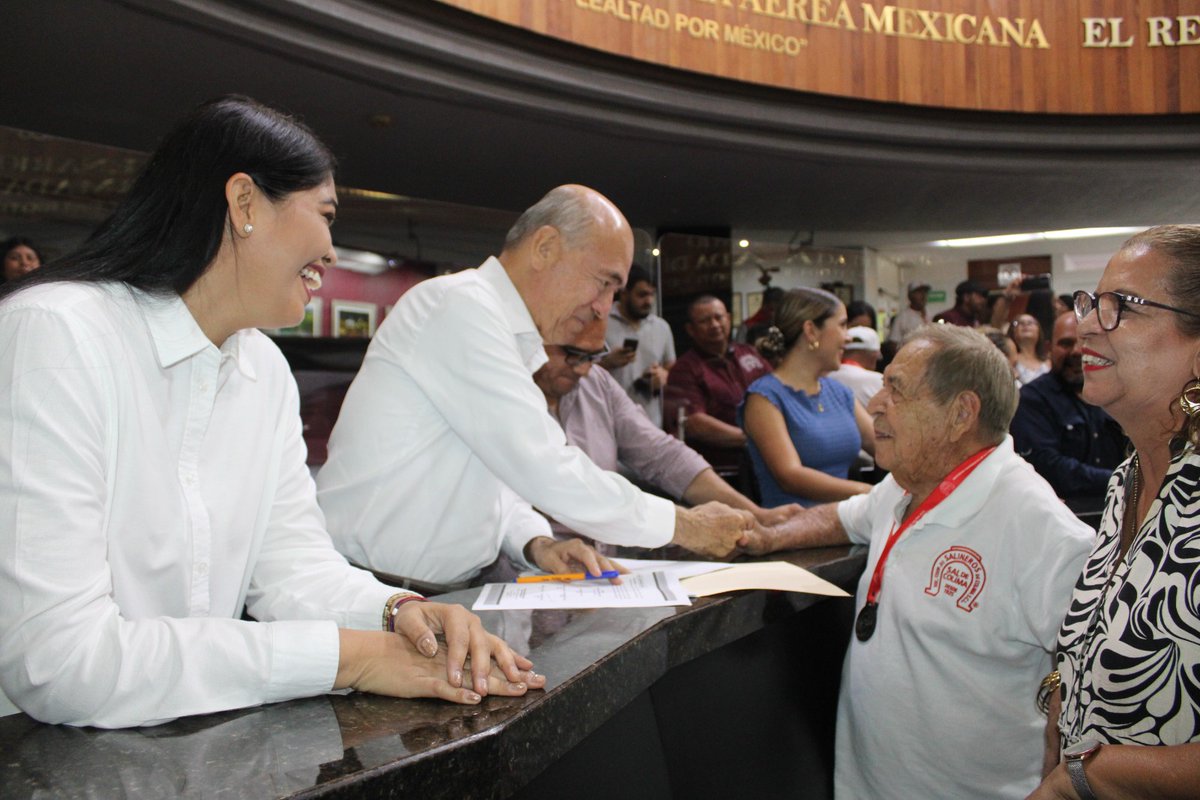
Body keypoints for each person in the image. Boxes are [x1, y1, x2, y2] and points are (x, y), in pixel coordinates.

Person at [0, 96, 540, 729]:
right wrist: (351, 658)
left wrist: (397, 612)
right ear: (245, 203)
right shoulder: (54, 334)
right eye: (325, 215)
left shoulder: (264, 371)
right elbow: (58, 661)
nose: (333, 253)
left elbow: (289, 567)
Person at [317, 185, 753, 587]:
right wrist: (684, 525)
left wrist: (535, 543)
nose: (604, 309)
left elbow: (491, 475)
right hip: (370, 590)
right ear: (545, 248)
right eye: (605, 284)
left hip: (423, 592)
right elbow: (541, 462)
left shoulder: (501, 330)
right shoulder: (460, 307)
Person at [743, 324, 1094, 800]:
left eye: (897, 390)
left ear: (960, 414)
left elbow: (1089, 687)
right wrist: (766, 537)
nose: (874, 404)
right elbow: (845, 518)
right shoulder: (905, 484)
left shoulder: (1044, 531)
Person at [1032, 225, 1200, 800]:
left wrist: (1093, 776)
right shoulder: (1129, 478)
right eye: (1089, 303)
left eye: (1122, 307)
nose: (1085, 324)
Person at [535, 315, 799, 545]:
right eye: (572, 353)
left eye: (592, 357)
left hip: (605, 569)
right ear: (533, 340)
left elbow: (664, 455)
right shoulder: (506, 394)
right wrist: (687, 526)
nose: (583, 367)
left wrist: (753, 513)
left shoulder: (597, 383)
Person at [741, 288, 875, 508]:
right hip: (794, 531)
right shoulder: (763, 398)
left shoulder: (838, 392)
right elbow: (791, 476)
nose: (848, 337)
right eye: (842, 325)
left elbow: (882, 446)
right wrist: (871, 493)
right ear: (811, 331)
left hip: (845, 523)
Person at [1011, 311, 1125, 510]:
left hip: (1120, 512)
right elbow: (1050, 467)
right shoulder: (1032, 400)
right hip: (1064, 520)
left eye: (1084, 341)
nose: (1076, 351)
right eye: (1065, 343)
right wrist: (1123, 478)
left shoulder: (1114, 393)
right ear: (1048, 348)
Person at [665, 294, 772, 474]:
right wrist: (753, 439)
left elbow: (778, 392)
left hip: (766, 462)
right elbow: (695, 423)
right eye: (705, 321)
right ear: (690, 329)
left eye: (718, 317)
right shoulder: (684, 370)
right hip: (723, 471)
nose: (714, 325)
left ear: (729, 319)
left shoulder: (749, 353)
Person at [598, 264, 675, 428]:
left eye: (652, 295)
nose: (649, 301)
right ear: (624, 292)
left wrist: (662, 375)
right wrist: (607, 362)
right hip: (607, 418)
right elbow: (577, 368)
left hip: (650, 420)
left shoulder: (661, 327)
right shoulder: (600, 320)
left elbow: (671, 368)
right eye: (642, 295)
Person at [1009, 313, 1051, 385]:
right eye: (1020, 323)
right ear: (1014, 332)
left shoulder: (1049, 362)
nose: (1026, 325)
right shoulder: (1010, 360)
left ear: (1039, 331)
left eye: (1030, 322)